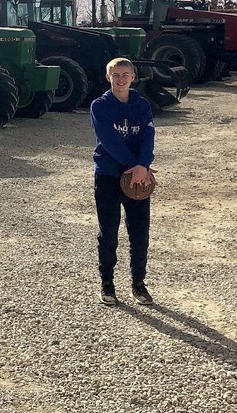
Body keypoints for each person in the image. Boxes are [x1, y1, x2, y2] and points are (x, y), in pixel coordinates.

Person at [90, 57, 157, 306]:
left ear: (133, 77)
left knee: (140, 233)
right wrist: (134, 166)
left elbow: (148, 136)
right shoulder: (100, 105)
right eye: (115, 75)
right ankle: (107, 284)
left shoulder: (142, 105)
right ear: (108, 77)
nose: (120, 79)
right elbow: (109, 140)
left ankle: (138, 284)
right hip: (109, 175)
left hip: (139, 177)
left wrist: (143, 166)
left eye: (125, 74)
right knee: (109, 233)